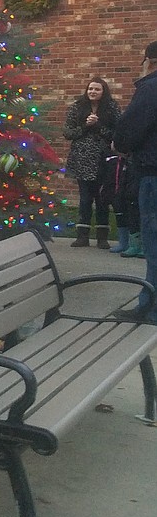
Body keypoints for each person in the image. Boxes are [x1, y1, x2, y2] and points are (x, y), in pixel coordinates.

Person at [112, 41, 157, 323]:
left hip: (153, 174)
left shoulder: (151, 87)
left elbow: (127, 130)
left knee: (154, 243)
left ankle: (151, 307)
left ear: (150, 60)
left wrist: (121, 145)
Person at [63, 77, 120, 248]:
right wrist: (86, 126)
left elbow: (118, 132)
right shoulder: (77, 107)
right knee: (85, 198)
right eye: (90, 89)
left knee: (103, 197)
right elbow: (68, 132)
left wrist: (98, 126)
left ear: (103, 92)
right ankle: (82, 235)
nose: (93, 92)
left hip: (104, 160)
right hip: (82, 159)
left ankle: (102, 237)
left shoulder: (112, 108)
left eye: (97, 89)